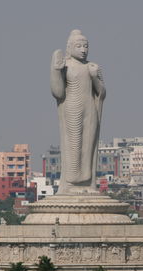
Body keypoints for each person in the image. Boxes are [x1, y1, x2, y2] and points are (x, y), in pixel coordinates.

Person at [50, 30, 106, 194]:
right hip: (72, 107)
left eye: (85, 46)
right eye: (78, 46)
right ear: (69, 47)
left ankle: (89, 183)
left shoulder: (91, 67)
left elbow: (102, 93)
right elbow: (58, 92)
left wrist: (95, 77)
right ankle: (71, 182)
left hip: (90, 109)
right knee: (74, 146)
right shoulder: (64, 65)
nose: (83, 50)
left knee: (89, 146)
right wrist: (55, 71)